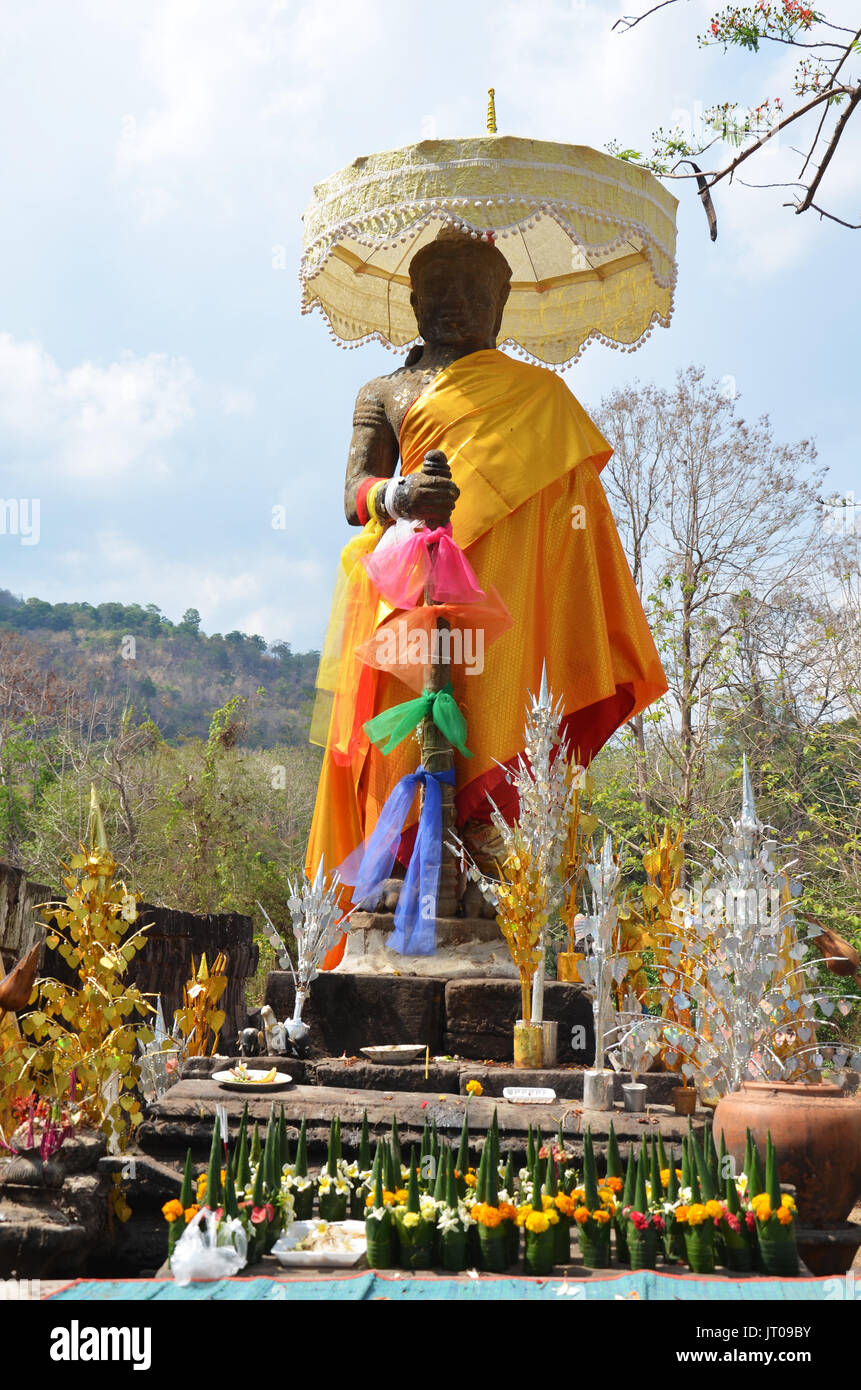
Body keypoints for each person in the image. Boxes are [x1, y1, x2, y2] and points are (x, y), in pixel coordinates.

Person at [306, 228, 667, 947]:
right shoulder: (383, 391)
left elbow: (574, 520)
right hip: (406, 589)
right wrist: (399, 497)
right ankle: (400, 869)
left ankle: (491, 882)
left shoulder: (539, 397)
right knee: (402, 739)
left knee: (495, 726)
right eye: (439, 292)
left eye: (475, 293)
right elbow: (352, 494)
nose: (455, 306)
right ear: (411, 300)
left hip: (503, 601)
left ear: (501, 306)